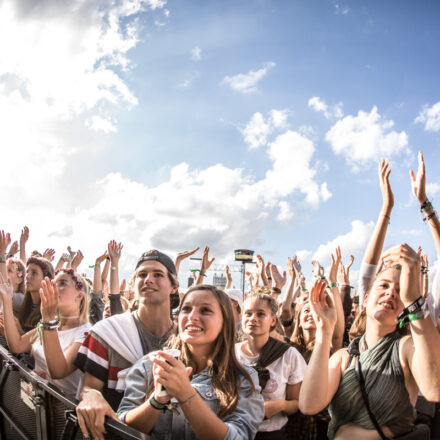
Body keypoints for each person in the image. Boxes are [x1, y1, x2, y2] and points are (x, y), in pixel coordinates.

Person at [299, 243, 440, 439]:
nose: (391, 293)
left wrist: (415, 300)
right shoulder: (344, 357)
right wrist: (324, 330)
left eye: (400, 291)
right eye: (384, 285)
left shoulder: (406, 347)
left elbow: (434, 389)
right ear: (365, 299)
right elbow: (309, 404)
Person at [118, 285, 264, 440]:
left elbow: (237, 437)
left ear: (225, 321)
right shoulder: (150, 365)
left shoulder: (243, 379)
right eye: (186, 309)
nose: (192, 316)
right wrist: (157, 400)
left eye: (205, 310)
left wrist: (186, 395)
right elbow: (122, 427)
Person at [75, 249, 178, 440]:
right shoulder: (108, 333)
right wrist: (91, 396)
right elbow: (88, 388)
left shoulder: (187, 339)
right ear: (133, 284)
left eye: (158, 274)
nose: (148, 280)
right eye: (142, 275)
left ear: (174, 286)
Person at [0, 269, 90, 399]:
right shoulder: (48, 325)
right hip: (36, 401)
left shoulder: (85, 333)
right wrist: (7, 300)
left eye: (63, 283)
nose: (54, 287)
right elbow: (17, 345)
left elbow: (58, 371)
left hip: (60, 411)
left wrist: (48, 319)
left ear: (79, 296)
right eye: (54, 282)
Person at [236, 292, 306, 439]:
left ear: (273, 321)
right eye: (248, 314)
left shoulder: (288, 355)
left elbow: (296, 403)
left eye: (261, 314)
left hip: (270, 434)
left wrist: (279, 406)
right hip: (233, 430)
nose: (253, 319)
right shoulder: (230, 353)